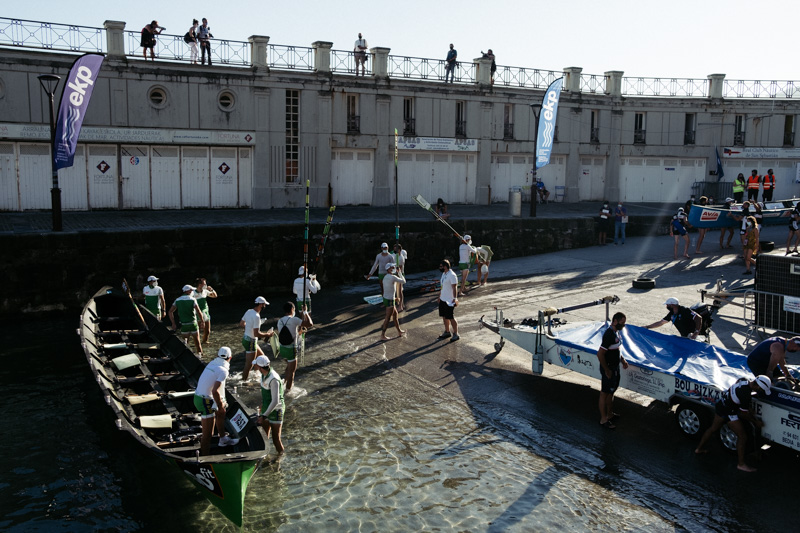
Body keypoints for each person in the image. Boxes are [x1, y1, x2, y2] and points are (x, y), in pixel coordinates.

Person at [694, 375, 771, 472]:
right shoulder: (746, 394)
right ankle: (741, 464)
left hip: (721, 405)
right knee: (742, 437)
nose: (760, 392)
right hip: (729, 412)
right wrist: (755, 422)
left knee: (713, 428)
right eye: (761, 390)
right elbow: (743, 414)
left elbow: (739, 399)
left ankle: (699, 449)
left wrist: (748, 408)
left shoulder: (743, 381)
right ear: (758, 386)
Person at [194, 347, 238, 455]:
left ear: (217, 356)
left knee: (220, 412)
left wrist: (221, 404)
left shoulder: (212, 363)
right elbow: (215, 391)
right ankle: (204, 457)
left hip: (199, 397)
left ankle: (223, 439)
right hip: (204, 401)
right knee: (208, 435)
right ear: (230, 358)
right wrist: (220, 406)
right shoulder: (223, 371)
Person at [597, 312, 628, 429]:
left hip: (615, 367)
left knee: (611, 392)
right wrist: (607, 370)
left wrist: (622, 360)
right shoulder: (609, 335)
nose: (623, 325)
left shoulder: (617, 332)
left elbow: (616, 349)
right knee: (604, 393)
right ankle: (603, 419)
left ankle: (610, 414)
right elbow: (600, 354)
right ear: (615, 321)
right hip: (609, 368)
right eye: (622, 323)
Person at [275, 301, 313, 393]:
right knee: (292, 372)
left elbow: (287, 335)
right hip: (291, 349)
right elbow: (310, 324)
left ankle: (284, 383)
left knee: (288, 367)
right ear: (292, 309)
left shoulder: (280, 321)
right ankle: (288, 392)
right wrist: (305, 312)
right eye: (294, 309)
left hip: (282, 349)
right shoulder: (294, 320)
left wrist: (300, 332)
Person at [252, 355, 285, 454]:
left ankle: (280, 457)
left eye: (256, 365)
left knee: (276, 439)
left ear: (260, 367)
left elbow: (275, 401)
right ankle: (264, 456)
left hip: (276, 410)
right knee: (264, 438)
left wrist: (263, 416)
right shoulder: (263, 375)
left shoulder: (274, 379)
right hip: (266, 407)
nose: (255, 367)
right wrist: (263, 405)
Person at [239, 296, 273, 382]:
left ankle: (256, 375)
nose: (265, 306)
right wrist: (268, 334)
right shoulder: (257, 316)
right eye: (264, 304)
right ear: (261, 305)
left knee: (262, 357)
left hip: (245, 339)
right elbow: (256, 334)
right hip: (251, 342)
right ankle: (243, 382)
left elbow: (241, 324)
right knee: (249, 365)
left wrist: (249, 328)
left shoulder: (249, 311)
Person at [169, 284, 205, 355]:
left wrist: (173, 323)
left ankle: (187, 357)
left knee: (185, 345)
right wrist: (202, 321)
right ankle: (200, 357)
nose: (192, 292)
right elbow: (198, 311)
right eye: (191, 290)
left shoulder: (177, 300)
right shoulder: (192, 299)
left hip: (184, 325)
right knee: (197, 343)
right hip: (193, 324)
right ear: (188, 291)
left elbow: (170, 312)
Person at [380, 263, 407, 340]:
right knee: (388, 318)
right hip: (390, 300)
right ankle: (382, 335)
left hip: (387, 299)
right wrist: (399, 272)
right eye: (392, 267)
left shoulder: (385, 277)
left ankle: (399, 331)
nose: (394, 268)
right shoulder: (393, 277)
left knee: (395, 315)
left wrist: (394, 298)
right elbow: (404, 281)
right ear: (389, 269)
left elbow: (388, 289)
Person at [437, 259, 459, 342]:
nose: (440, 268)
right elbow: (442, 286)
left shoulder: (452, 275)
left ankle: (456, 333)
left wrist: (455, 298)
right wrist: (439, 296)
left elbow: (454, 287)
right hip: (443, 299)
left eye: (441, 266)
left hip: (449, 300)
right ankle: (447, 331)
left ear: (445, 266)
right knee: (444, 316)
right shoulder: (444, 274)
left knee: (450, 317)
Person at [192, 278, 217, 345]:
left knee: (207, 330)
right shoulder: (193, 293)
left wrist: (211, 289)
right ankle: (197, 342)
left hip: (205, 312)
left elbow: (215, 296)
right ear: (200, 285)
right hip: (197, 313)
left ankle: (205, 341)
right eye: (204, 284)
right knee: (198, 329)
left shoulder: (205, 291)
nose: (206, 285)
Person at [392, 243, 407, 311]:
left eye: (396, 249)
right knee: (396, 291)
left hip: (400, 274)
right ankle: (400, 304)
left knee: (399, 290)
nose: (395, 251)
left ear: (399, 250)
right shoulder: (395, 256)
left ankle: (400, 306)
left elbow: (400, 269)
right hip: (395, 274)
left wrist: (397, 274)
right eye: (394, 249)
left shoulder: (401, 258)